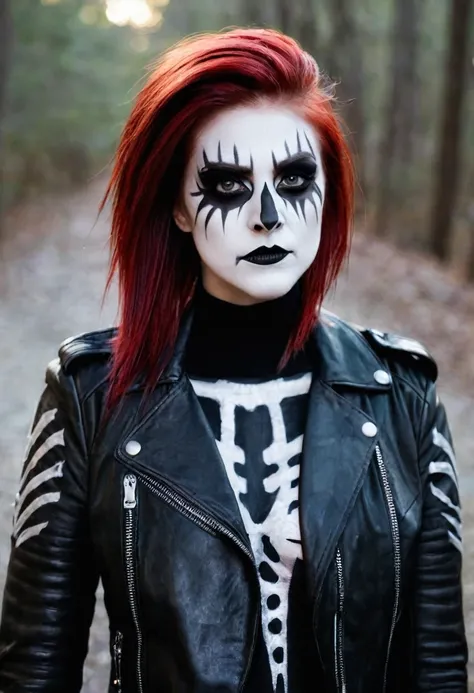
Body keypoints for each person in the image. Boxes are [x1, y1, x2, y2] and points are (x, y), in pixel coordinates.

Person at [0, 27, 467, 693]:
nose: (269, 216)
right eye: (226, 184)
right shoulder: (90, 394)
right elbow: (33, 664)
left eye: (296, 178)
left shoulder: (403, 395)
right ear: (179, 208)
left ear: (328, 190)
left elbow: (440, 665)